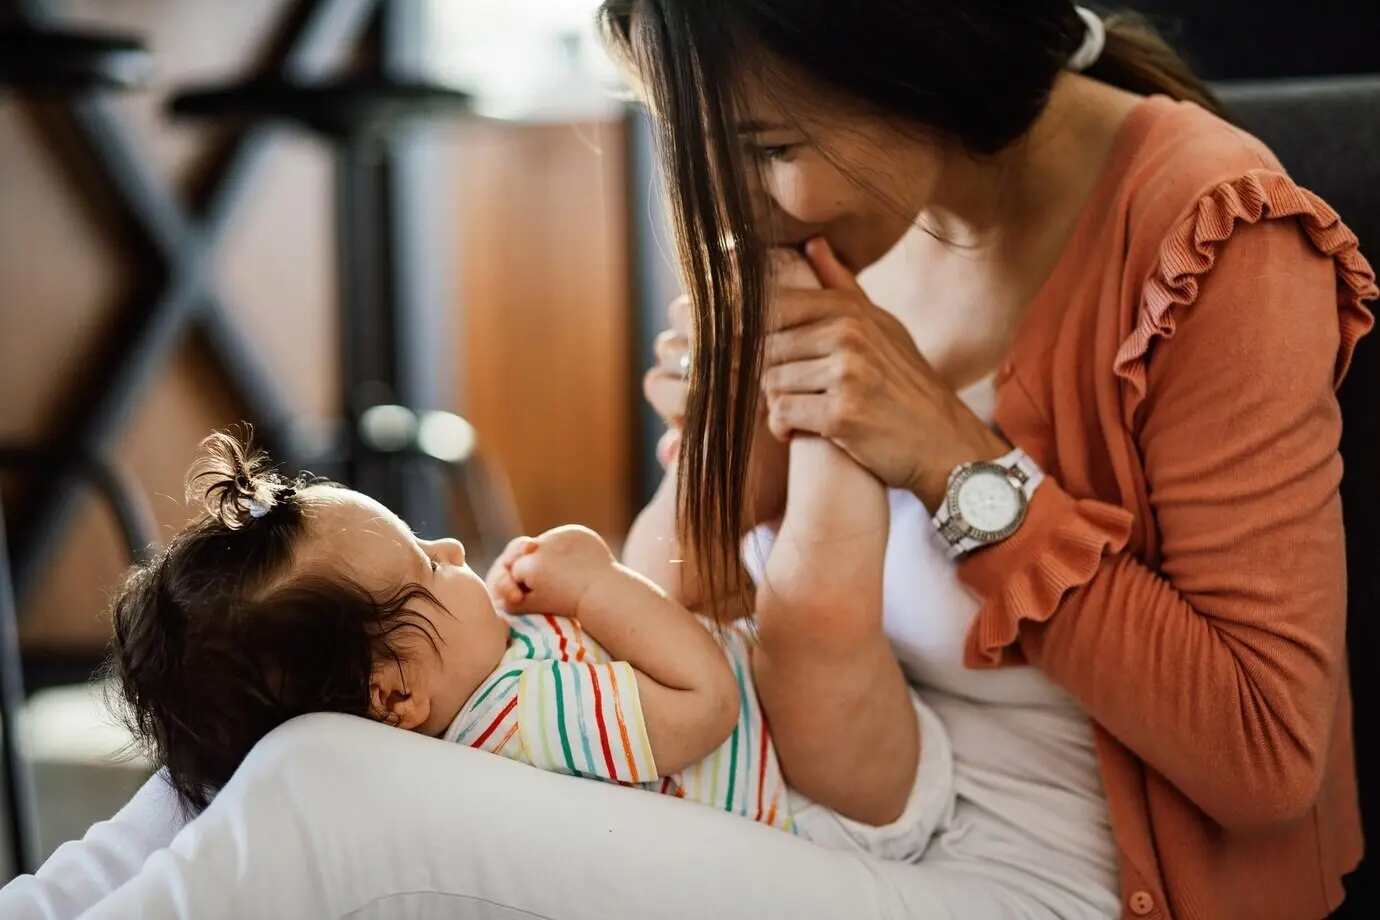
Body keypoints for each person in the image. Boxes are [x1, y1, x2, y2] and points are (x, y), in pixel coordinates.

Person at [0, 2, 1374, 919]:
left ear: (900, 50)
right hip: (793, 794)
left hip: (1029, 874)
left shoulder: (1215, 235)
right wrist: (714, 441)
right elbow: (695, 598)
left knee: (322, 785)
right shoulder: (843, 218)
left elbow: (1269, 761)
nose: (760, 201)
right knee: (250, 732)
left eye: (772, 145)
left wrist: (960, 465)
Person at [100, 428, 948, 857]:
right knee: (813, 607)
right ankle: (830, 428)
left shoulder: (476, 694)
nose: (455, 551)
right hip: (825, 800)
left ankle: (721, 422)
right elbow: (709, 703)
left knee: (688, 533)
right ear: (395, 695)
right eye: (427, 570)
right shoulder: (518, 718)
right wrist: (595, 586)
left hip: (789, 743)